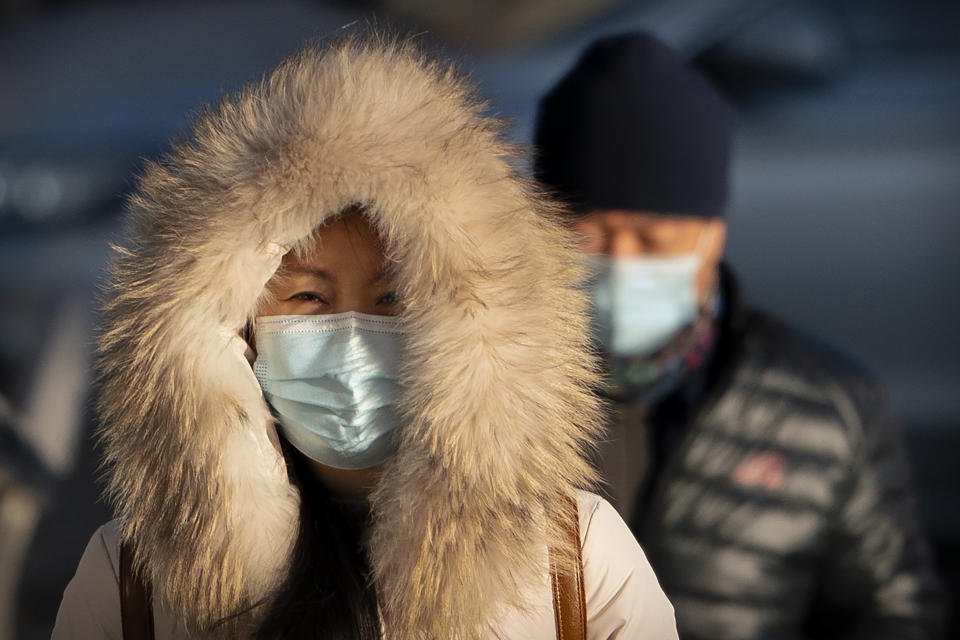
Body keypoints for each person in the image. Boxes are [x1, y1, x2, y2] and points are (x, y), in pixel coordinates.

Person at [51, 37, 678, 639]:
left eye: (393, 300)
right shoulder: (132, 579)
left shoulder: (574, 559)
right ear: (233, 327)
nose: (351, 340)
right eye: (309, 299)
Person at [533, 32, 947, 640]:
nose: (619, 260)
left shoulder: (827, 410)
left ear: (711, 235)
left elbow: (894, 616)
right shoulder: (474, 397)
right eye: (590, 232)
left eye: (651, 239)